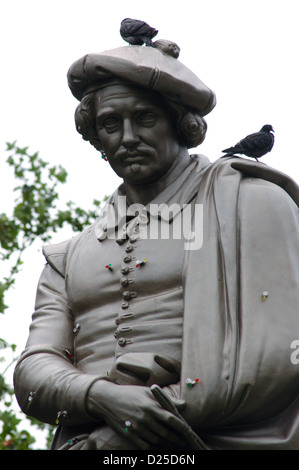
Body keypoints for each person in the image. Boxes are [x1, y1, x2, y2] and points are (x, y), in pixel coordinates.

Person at [14, 35, 299, 450]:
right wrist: (101, 397)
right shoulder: (69, 257)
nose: (127, 137)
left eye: (145, 118)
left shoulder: (251, 203)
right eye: (110, 124)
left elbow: (280, 356)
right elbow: (33, 372)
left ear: (181, 122)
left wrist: (131, 433)